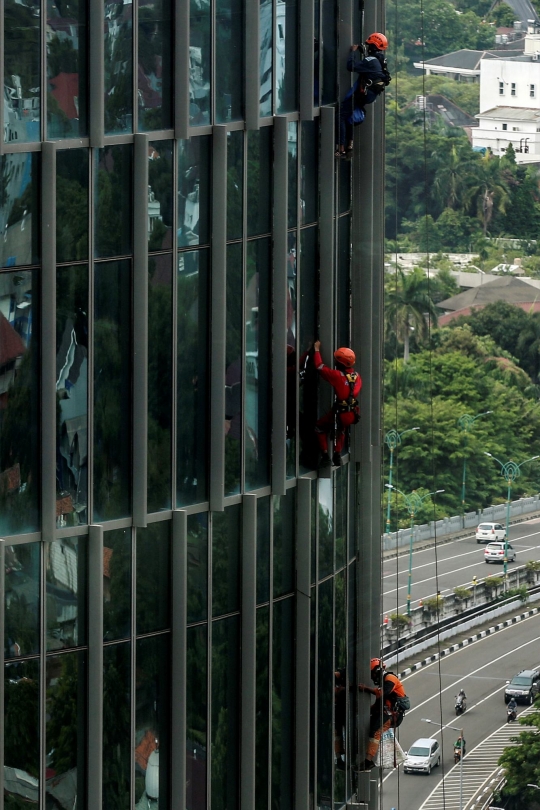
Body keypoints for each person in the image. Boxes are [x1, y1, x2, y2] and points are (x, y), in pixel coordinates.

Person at [335, 33, 391, 158]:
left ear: (372, 46)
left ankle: (341, 149)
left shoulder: (370, 60)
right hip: (369, 95)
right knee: (348, 115)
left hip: (363, 94)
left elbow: (351, 66)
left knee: (341, 116)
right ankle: (349, 145)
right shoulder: (380, 60)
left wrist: (353, 52)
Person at [313, 341, 361, 469]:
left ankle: (325, 456)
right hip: (351, 413)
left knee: (319, 427)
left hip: (340, 412)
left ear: (339, 363)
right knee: (341, 430)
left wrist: (316, 350)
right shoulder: (357, 377)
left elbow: (319, 367)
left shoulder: (337, 376)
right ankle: (337, 454)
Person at [358, 657, 408, 770]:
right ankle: (367, 754)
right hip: (387, 712)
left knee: (376, 731)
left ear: (377, 671)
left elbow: (382, 694)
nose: (373, 678)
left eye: (373, 675)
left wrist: (366, 689)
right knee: (370, 727)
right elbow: (379, 698)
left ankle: (368, 761)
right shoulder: (384, 681)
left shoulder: (390, 679)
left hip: (393, 715)